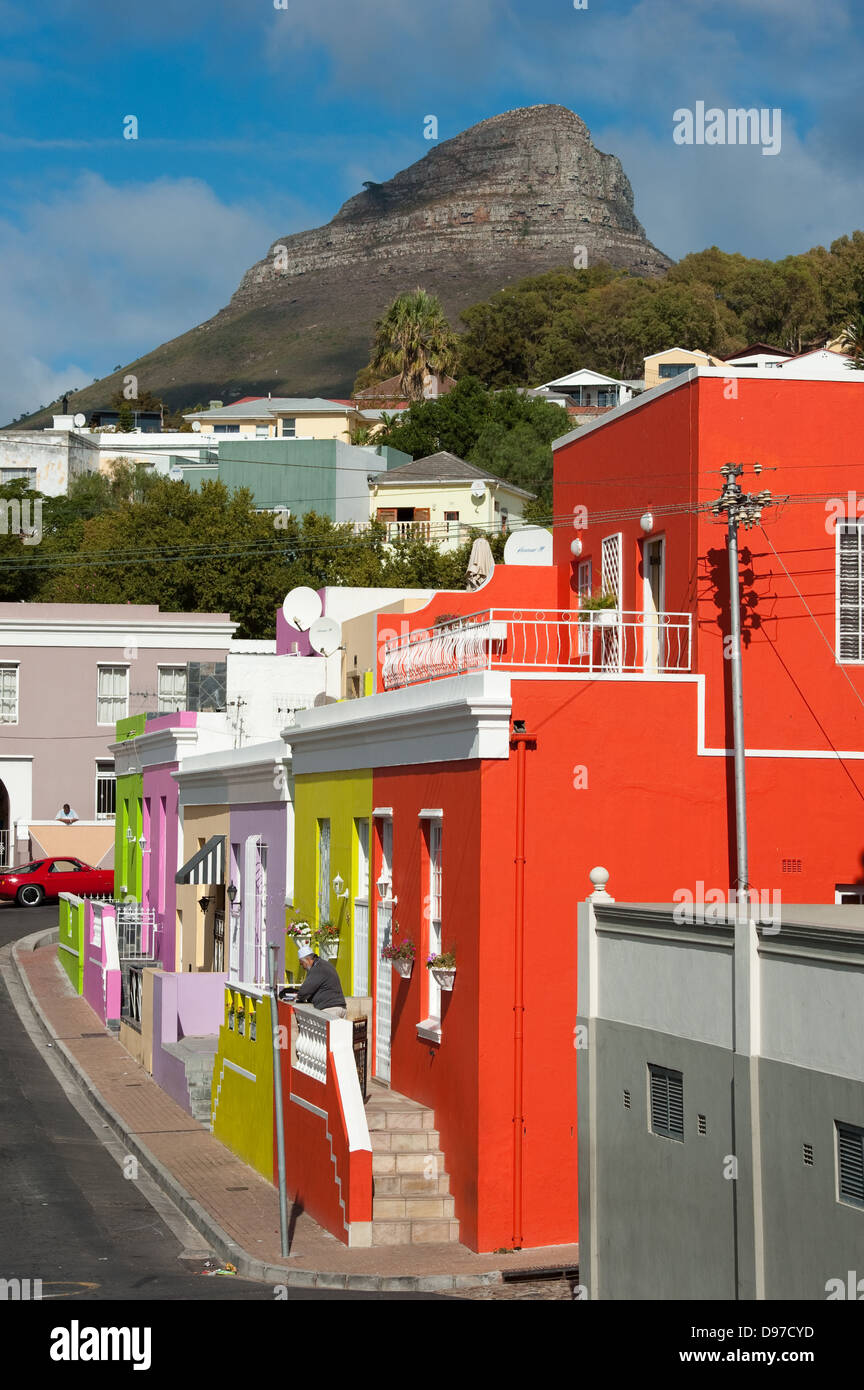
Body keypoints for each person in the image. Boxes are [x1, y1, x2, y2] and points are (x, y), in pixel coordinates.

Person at [294, 944, 347, 1018]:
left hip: (330, 1009)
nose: (302, 967)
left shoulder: (318, 968)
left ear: (308, 960)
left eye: (302, 964)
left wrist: (297, 997)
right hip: (338, 1008)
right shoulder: (323, 964)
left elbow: (304, 991)